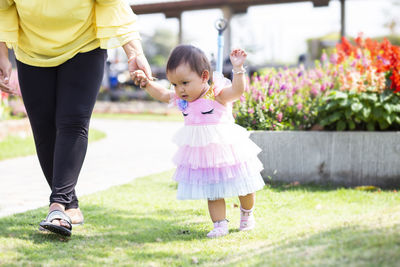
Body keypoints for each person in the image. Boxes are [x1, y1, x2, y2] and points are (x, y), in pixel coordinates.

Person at [0, 0, 152, 237]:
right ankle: (70, 206)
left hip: (84, 46)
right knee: (43, 128)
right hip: (31, 51)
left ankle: (57, 206)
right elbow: (3, 7)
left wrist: (134, 52)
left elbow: (112, 4)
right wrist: (1, 54)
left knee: (73, 122)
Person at [132, 45, 265, 238]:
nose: (179, 89)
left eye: (185, 82)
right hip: (204, 154)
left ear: (204, 77)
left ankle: (247, 214)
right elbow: (162, 94)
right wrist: (146, 83)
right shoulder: (182, 99)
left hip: (227, 149)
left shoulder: (215, 94)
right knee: (213, 190)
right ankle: (220, 224)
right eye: (175, 84)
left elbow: (237, 91)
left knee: (243, 185)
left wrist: (238, 69)